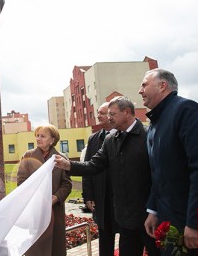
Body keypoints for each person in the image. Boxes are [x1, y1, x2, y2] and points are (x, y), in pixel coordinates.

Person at [139, 69, 198, 254]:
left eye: (144, 85)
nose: (140, 90)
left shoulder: (187, 110)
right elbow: (158, 173)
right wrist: (153, 210)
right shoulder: (155, 124)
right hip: (172, 218)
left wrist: (197, 222)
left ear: (162, 86)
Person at [55, 96, 160, 256]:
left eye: (112, 114)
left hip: (149, 216)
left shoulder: (149, 134)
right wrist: (68, 165)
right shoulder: (111, 140)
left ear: (127, 112)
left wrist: (154, 210)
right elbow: (94, 165)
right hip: (125, 219)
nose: (108, 118)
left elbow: (159, 175)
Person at [17, 124, 72, 256]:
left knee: (55, 248)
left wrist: (56, 198)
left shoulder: (61, 158)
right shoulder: (28, 155)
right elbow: (21, 182)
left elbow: (67, 184)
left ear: (52, 140)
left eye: (42, 136)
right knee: (36, 248)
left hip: (55, 210)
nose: (38, 138)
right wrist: (36, 198)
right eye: (37, 135)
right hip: (35, 210)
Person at [82, 102, 117, 256]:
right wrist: (88, 196)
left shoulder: (123, 135)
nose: (98, 116)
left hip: (120, 197)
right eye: (98, 112)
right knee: (105, 237)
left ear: (111, 115)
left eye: (102, 113)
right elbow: (87, 167)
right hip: (101, 198)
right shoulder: (94, 139)